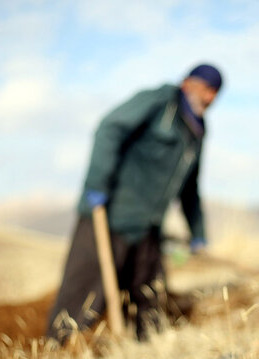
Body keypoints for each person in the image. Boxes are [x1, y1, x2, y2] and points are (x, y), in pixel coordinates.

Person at [46, 63, 223, 343]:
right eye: (206, 88)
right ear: (188, 82)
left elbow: (190, 188)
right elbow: (110, 128)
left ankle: (145, 346)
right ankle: (60, 347)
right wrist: (97, 185)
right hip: (109, 214)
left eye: (215, 93)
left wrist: (198, 233)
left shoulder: (197, 131)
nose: (209, 98)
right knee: (83, 292)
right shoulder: (160, 102)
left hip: (148, 226)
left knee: (149, 298)